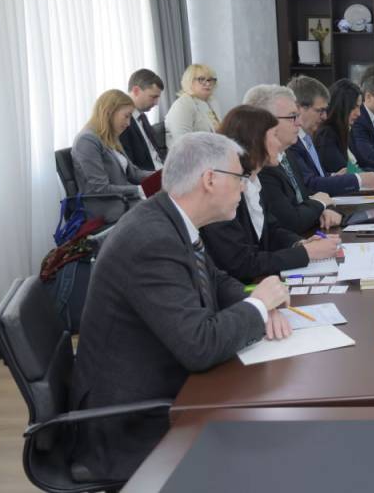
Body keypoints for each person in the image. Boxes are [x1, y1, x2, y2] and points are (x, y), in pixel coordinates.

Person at [69, 132, 293, 481]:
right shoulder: (152, 240)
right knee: (272, 451)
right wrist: (258, 305)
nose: (245, 187)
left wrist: (263, 304)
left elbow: (215, 279)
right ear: (209, 179)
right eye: (239, 177)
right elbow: (200, 346)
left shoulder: (169, 217)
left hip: (168, 389)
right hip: (130, 424)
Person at [201, 106, 341, 283]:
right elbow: (241, 263)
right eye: (274, 135)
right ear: (255, 141)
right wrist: (306, 253)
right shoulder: (224, 192)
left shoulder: (254, 181)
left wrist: (300, 244)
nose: (279, 142)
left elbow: (271, 230)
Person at [244, 83, 374, 198]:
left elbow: (312, 180)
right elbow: (308, 186)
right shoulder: (290, 146)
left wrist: (332, 177)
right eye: (320, 111)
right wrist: (357, 179)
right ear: (301, 107)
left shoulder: (304, 139)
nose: (324, 116)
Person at [71, 89, 154, 221]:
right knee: (161, 210)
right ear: (109, 112)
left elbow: (134, 173)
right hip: (107, 207)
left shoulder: (110, 137)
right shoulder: (87, 140)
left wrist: (161, 175)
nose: (128, 123)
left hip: (124, 200)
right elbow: (100, 188)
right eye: (126, 116)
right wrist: (139, 190)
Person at [315, 79, 374, 180]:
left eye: (359, 107)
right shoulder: (326, 135)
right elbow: (347, 174)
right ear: (341, 106)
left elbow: (360, 167)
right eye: (354, 107)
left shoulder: (344, 130)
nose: (359, 113)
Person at [118, 68, 166, 171]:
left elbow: (156, 153)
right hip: (148, 176)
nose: (156, 103)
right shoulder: (121, 122)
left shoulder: (143, 117)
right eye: (153, 97)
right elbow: (131, 167)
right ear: (136, 91)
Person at [165, 63, 222, 147]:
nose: (207, 83)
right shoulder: (182, 105)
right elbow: (183, 142)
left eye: (210, 80)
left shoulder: (212, 101)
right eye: (201, 79)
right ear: (189, 81)